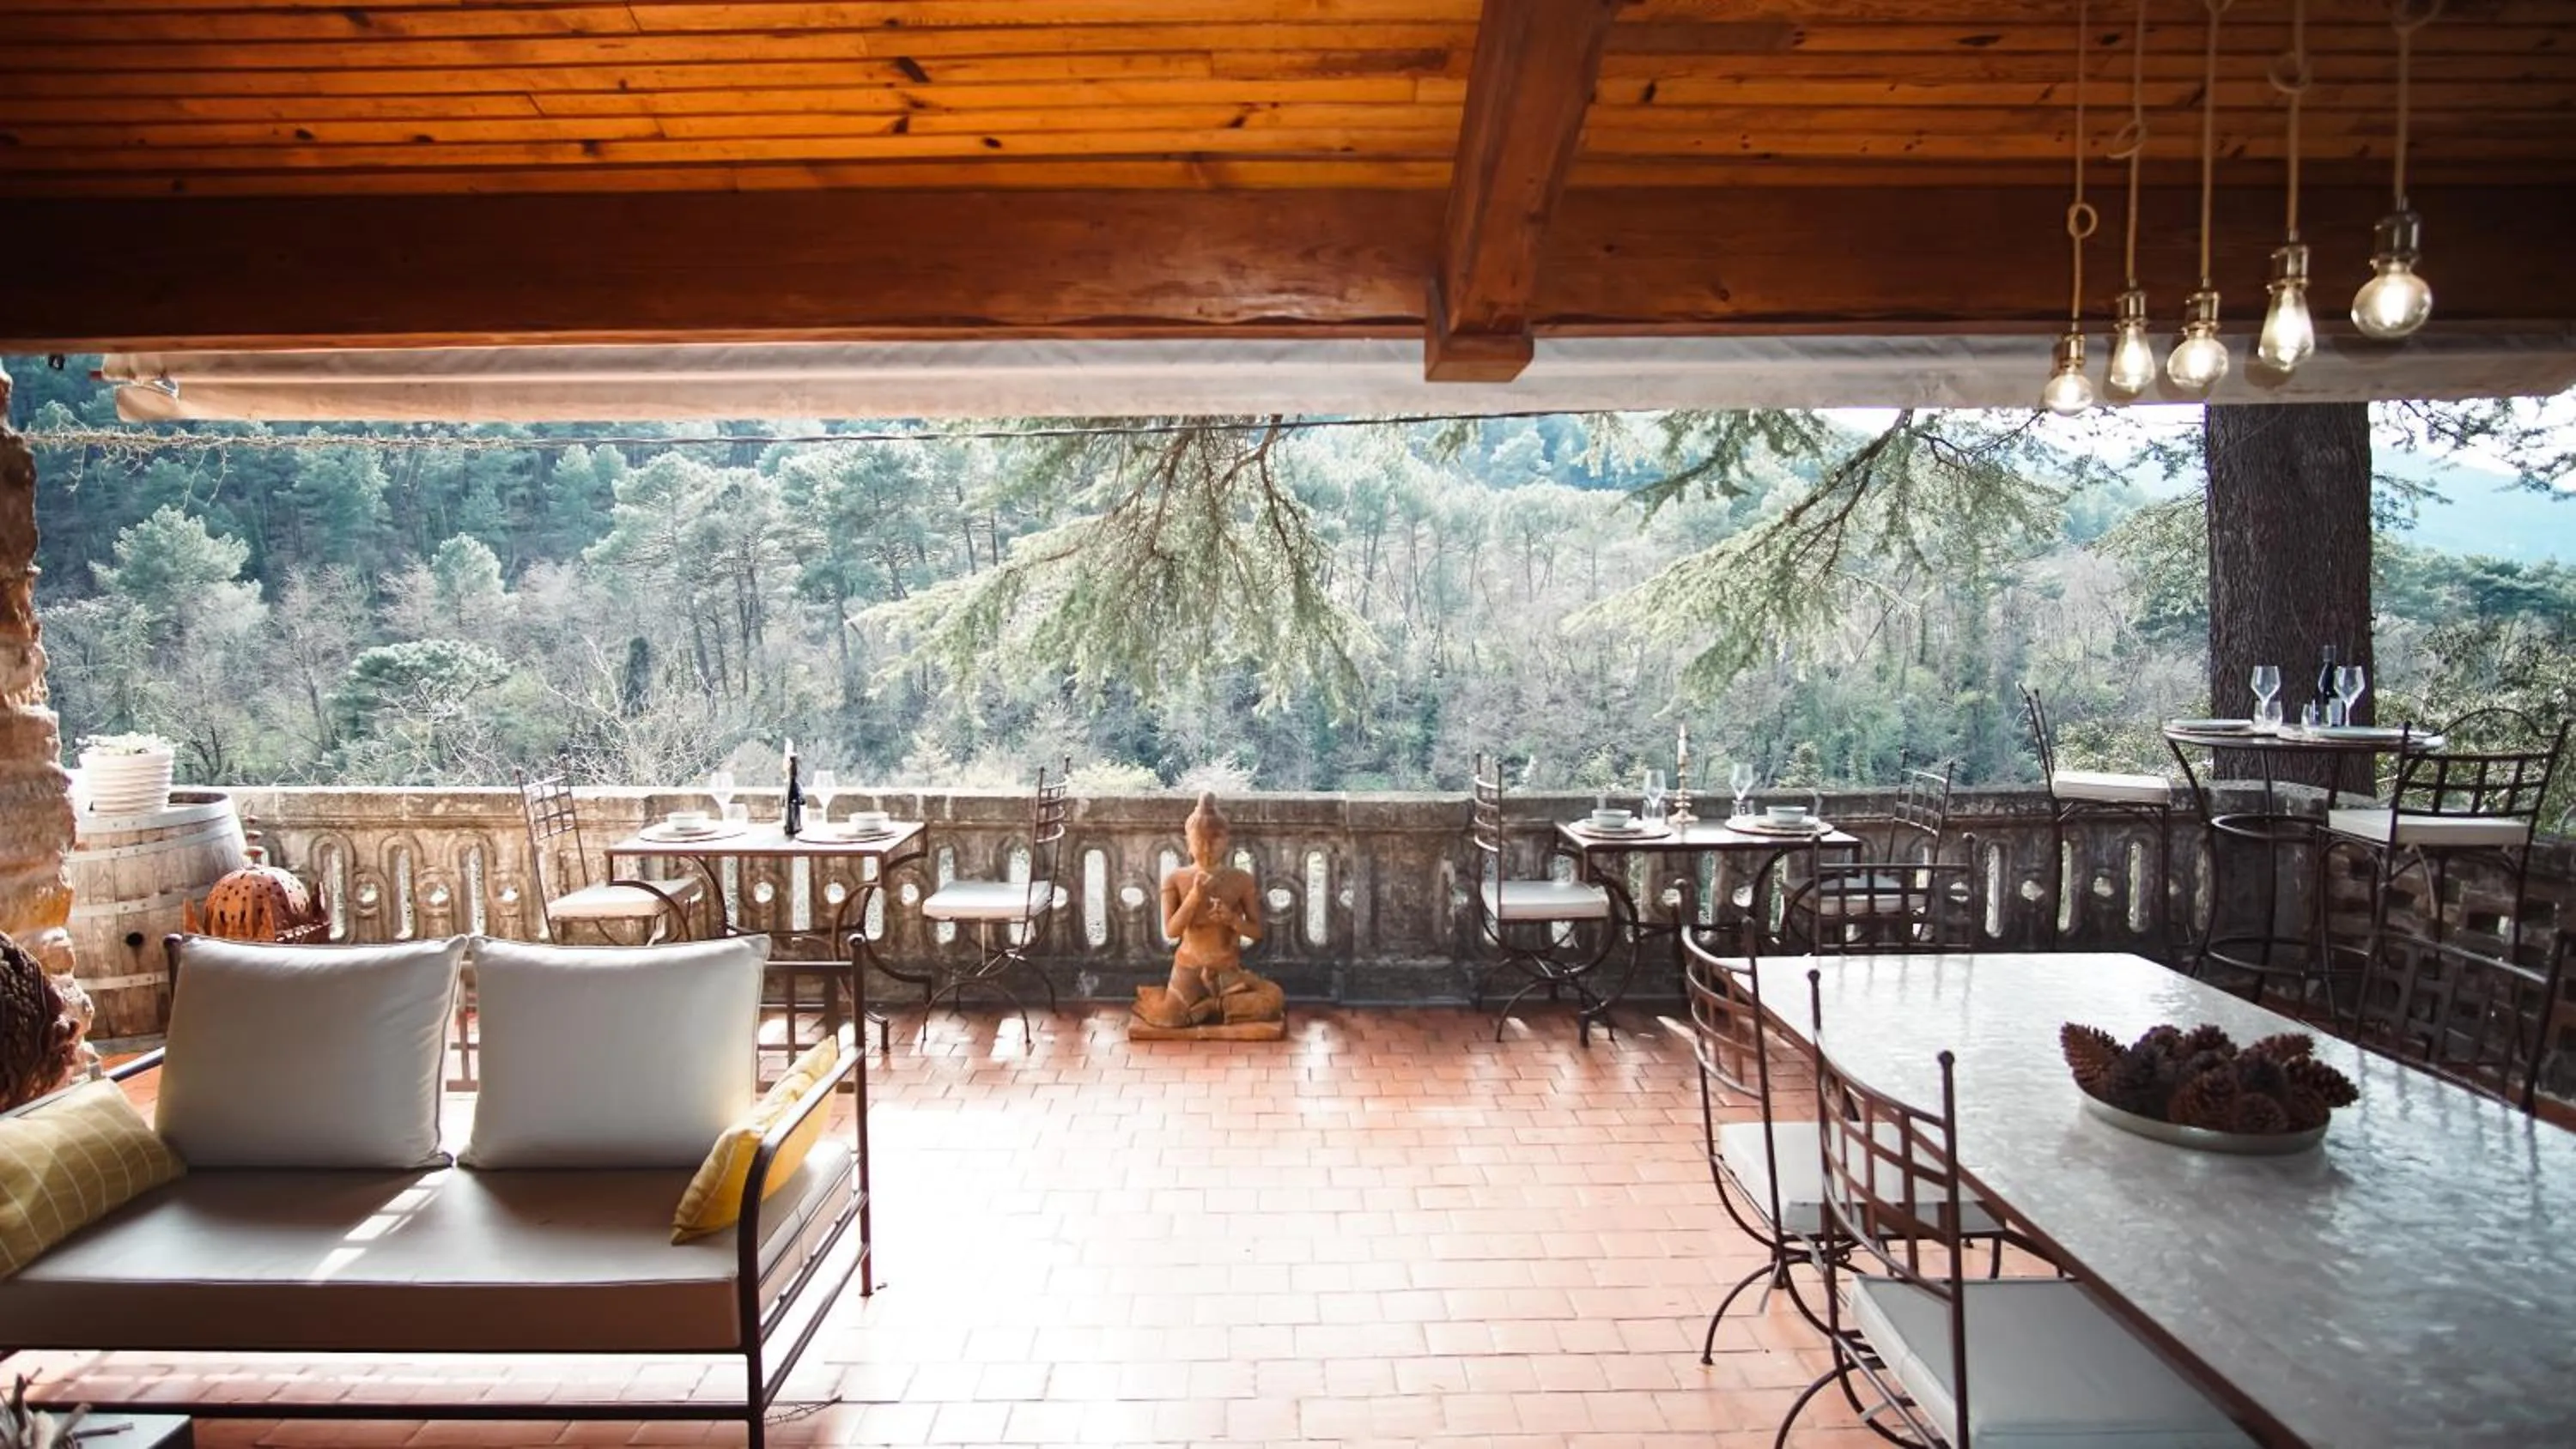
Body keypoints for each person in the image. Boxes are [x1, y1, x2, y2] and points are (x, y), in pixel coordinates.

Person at [1139, 792, 1282, 1030]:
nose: (1206, 848)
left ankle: (1211, 1007)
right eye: (1199, 841)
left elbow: (1257, 931)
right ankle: (1203, 1005)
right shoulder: (1176, 879)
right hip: (1189, 969)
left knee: (1274, 999)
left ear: (1225, 841)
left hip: (1226, 969)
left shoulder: (1240, 880)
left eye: (1214, 841)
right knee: (1169, 1018)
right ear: (1188, 842)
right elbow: (1172, 930)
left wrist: (1232, 919)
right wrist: (1194, 897)